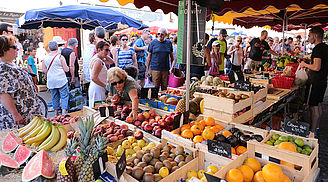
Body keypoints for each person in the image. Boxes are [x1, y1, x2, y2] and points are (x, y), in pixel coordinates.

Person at [0, 35, 42, 129]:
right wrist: (15, 114)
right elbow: (3, 94)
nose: (17, 50)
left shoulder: (10, 65)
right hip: (20, 118)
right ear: (4, 50)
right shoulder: (2, 68)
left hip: (28, 114)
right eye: (14, 47)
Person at [299, 26, 328, 135]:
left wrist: (304, 64)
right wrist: (309, 60)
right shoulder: (325, 47)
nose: (308, 38)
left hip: (315, 81)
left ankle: (312, 132)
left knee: (313, 106)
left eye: (309, 36)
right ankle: (317, 127)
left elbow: (316, 67)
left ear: (316, 36)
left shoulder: (317, 48)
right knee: (318, 104)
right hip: (322, 81)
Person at [42, 41, 69, 116]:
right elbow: (66, 69)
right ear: (57, 47)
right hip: (61, 80)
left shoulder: (45, 58)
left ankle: (56, 113)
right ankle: (63, 113)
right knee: (64, 96)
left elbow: (44, 70)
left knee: (54, 97)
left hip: (51, 80)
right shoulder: (60, 57)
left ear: (49, 48)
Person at [146, 27, 174, 93]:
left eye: (162, 34)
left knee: (165, 88)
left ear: (166, 35)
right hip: (155, 69)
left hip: (165, 69)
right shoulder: (152, 43)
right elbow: (148, 57)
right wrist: (147, 69)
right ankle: (155, 101)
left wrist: (172, 67)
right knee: (155, 88)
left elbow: (171, 57)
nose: (160, 36)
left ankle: (163, 101)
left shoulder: (169, 43)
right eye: (158, 34)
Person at [88, 41, 112, 108]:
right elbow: (93, 78)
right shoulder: (98, 61)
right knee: (99, 112)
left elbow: (111, 62)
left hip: (98, 87)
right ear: (99, 50)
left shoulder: (99, 59)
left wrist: (105, 54)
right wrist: (106, 86)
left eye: (109, 50)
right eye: (106, 50)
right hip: (98, 88)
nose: (108, 52)